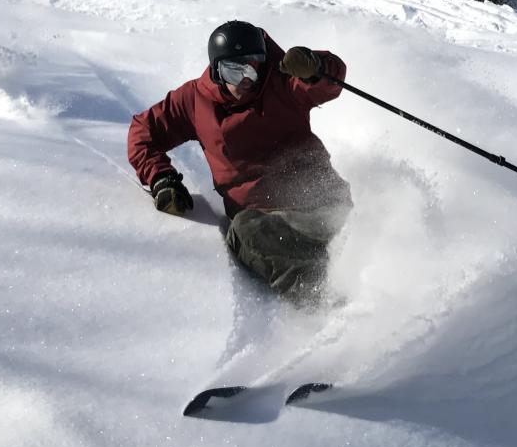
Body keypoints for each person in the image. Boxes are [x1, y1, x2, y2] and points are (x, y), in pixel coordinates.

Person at [127, 20, 352, 300]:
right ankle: (323, 298)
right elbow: (143, 131)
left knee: (358, 230)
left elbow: (330, 82)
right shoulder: (195, 101)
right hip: (265, 221)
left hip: (319, 200)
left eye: (253, 68)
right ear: (216, 70)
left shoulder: (280, 81)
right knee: (245, 230)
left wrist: (315, 66)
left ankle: (373, 273)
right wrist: (161, 177)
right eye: (234, 71)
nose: (245, 80)